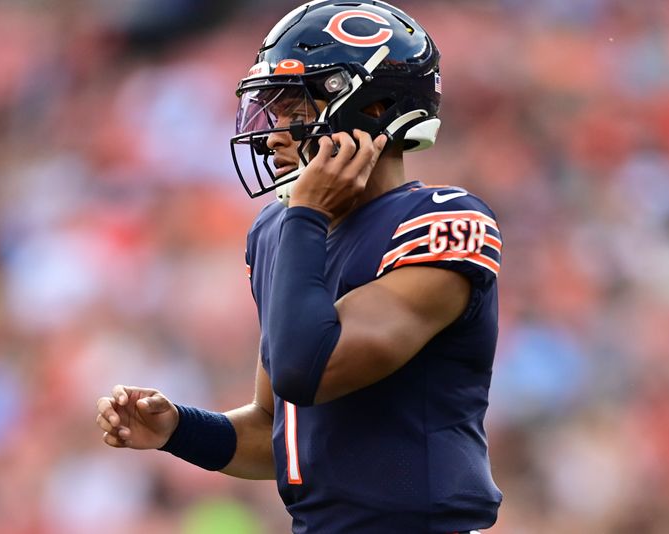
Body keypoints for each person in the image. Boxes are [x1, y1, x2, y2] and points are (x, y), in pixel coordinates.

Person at [95, 1, 503, 532]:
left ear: (373, 109)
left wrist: (308, 214)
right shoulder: (277, 230)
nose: (271, 136)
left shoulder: (441, 221)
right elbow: (280, 431)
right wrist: (179, 430)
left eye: (295, 110)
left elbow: (307, 367)